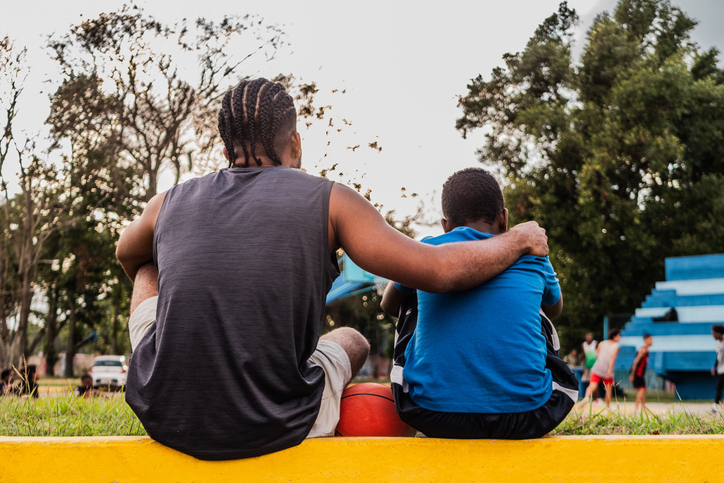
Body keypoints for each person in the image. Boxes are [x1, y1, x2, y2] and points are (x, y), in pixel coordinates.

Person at [115, 78, 550, 460]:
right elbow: (437, 271)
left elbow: (126, 254)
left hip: (163, 412)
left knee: (146, 268)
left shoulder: (166, 203)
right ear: (296, 144)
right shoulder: (330, 200)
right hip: (274, 423)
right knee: (351, 339)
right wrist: (516, 239)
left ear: (225, 151)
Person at [380, 167, 578, 439]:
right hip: (529, 415)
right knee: (537, 305)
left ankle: (431, 383)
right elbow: (555, 309)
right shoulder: (533, 256)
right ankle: (520, 383)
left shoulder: (428, 249)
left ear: (445, 226)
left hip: (431, 414)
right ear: (504, 219)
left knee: (411, 295)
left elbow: (389, 305)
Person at [583, 328, 621, 408]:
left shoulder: (602, 343)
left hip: (597, 367)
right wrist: (610, 370)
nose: (620, 338)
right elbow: (612, 359)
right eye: (619, 336)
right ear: (615, 336)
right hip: (607, 369)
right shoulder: (616, 346)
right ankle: (608, 406)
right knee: (608, 389)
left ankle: (586, 397)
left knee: (592, 385)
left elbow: (596, 355)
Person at [629, 333, 653, 413]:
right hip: (637, 373)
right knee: (642, 389)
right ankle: (636, 407)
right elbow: (635, 363)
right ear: (646, 340)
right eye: (650, 339)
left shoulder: (646, 350)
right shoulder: (642, 350)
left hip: (641, 373)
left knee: (644, 389)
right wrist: (632, 374)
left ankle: (643, 406)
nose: (652, 341)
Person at [711, 324, 724, 413]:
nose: (713, 335)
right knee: (718, 387)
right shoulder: (718, 343)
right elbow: (718, 356)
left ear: (719, 333)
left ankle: (715, 405)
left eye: (714, 333)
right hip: (720, 369)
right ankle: (715, 406)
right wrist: (714, 366)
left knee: (719, 387)